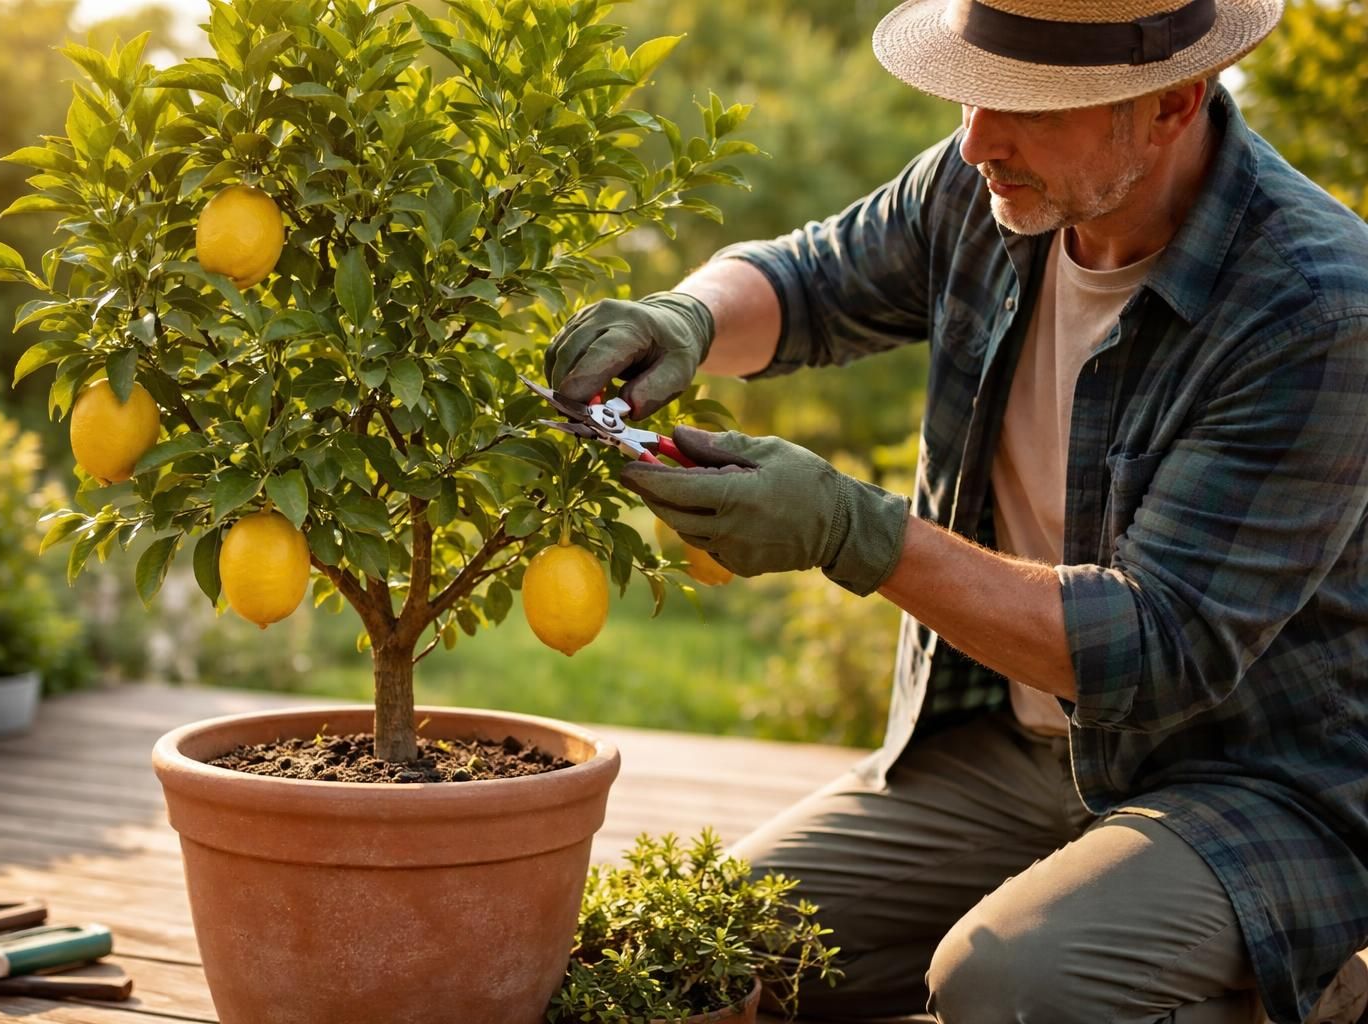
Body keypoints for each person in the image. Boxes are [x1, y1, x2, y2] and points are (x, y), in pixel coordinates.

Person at [542, 1, 1368, 1021]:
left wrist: (854, 530)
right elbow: (809, 280)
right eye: (977, 93)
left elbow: (1159, 647)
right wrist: (688, 317)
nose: (976, 137)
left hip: (1241, 787)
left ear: (1171, 105)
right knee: (673, 946)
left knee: (1008, 982)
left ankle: (1306, 988)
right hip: (1013, 757)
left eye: (1029, 108)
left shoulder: (1316, 308)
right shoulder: (993, 186)